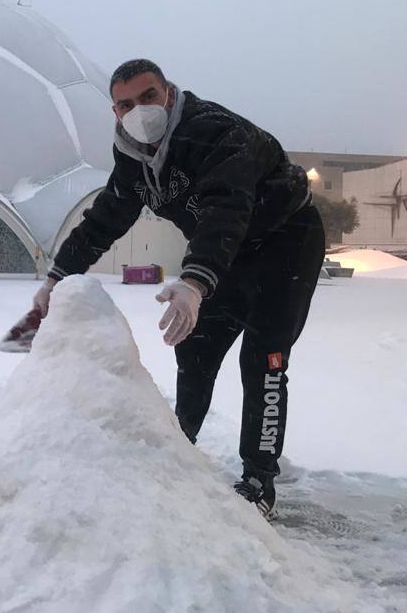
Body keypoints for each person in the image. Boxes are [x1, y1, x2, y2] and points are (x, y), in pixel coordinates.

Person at [33, 58, 325, 518]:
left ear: (168, 93)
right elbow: (107, 216)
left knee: (264, 357)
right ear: (114, 112)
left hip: (285, 240)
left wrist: (194, 281)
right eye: (125, 104)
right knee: (196, 346)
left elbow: (224, 210)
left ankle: (259, 479)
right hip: (228, 253)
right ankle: (180, 440)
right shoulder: (132, 154)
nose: (138, 110)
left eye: (147, 97)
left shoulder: (214, 132)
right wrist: (57, 276)